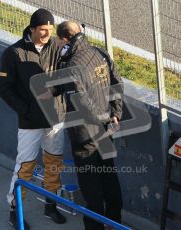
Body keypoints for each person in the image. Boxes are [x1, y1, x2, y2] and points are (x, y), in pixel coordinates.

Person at [0, 8, 66, 229]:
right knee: (25, 165)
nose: (47, 34)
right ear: (32, 28)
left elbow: (68, 74)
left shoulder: (57, 47)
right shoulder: (13, 53)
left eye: (50, 30)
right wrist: (25, 110)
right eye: (43, 30)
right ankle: (14, 211)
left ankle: (51, 204)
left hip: (56, 118)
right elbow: (4, 89)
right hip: (30, 122)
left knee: (54, 163)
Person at [56, 21, 124, 230]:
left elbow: (82, 104)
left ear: (65, 40)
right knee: (109, 177)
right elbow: (117, 83)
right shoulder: (99, 53)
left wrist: (104, 117)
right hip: (106, 129)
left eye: (59, 41)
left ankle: (95, 227)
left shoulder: (71, 66)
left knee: (90, 187)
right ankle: (114, 223)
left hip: (84, 135)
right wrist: (115, 114)